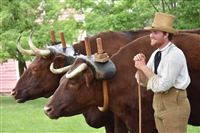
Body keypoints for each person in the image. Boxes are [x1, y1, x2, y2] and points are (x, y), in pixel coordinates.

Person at [133, 12, 191, 133]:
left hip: (174, 105)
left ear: (166, 35)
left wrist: (144, 67)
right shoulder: (156, 54)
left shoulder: (175, 54)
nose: (150, 35)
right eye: (151, 32)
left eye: (155, 32)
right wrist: (140, 65)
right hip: (158, 104)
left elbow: (163, 85)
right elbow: (141, 80)